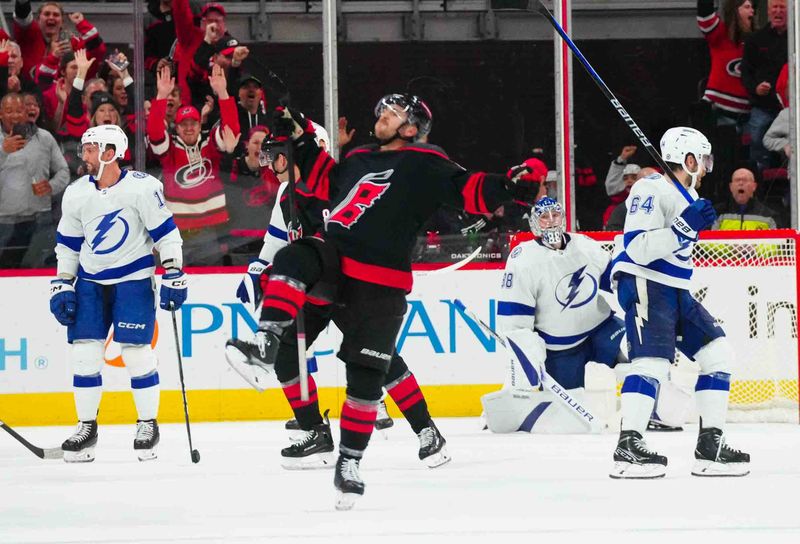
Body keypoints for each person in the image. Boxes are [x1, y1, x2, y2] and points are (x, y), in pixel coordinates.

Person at [224, 93, 538, 509]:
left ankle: (352, 462)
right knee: (296, 256)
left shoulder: (425, 160)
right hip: (334, 262)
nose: (382, 117)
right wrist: (296, 133)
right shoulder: (356, 160)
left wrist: (515, 184)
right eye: (383, 111)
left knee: (370, 372)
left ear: (411, 127)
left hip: (379, 280)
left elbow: (469, 189)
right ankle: (268, 343)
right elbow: (325, 179)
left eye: (393, 113)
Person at [228, 134, 450, 471]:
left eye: (272, 156)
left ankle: (427, 430)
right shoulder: (288, 195)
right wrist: (260, 269)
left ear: (291, 156)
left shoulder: (336, 185)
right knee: (288, 355)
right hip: (318, 286)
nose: (269, 165)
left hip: (354, 285)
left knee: (383, 359)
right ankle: (315, 431)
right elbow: (278, 241)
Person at [609, 126, 750, 479]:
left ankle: (710, 447)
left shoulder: (686, 195)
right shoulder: (650, 188)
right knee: (652, 363)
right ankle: (628, 447)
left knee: (719, 354)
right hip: (645, 282)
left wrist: (686, 226)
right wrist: (682, 229)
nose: (705, 167)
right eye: (702, 159)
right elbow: (638, 248)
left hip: (674, 288)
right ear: (688, 159)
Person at [50, 124, 187, 463]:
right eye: (85, 149)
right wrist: (63, 282)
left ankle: (147, 424)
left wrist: (173, 272)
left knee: (137, 352)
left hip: (133, 279)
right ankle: (86, 428)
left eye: (91, 149)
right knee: (84, 354)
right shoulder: (77, 192)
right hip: (91, 283)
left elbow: (166, 234)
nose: (85, 155)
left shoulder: (143, 188)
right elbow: (67, 244)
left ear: (110, 153)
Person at [147, 64, 240, 265]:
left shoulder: (210, 144)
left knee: (210, 286)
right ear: (177, 128)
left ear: (200, 125)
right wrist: (161, 96)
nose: (189, 129)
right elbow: (154, 132)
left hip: (209, 230)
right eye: (184, 125)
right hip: (176, 231)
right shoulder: (169, 149)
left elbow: (231, 130)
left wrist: (223, 93)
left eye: (193, 124)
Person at [0, 92, 69, 268]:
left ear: (25, 113)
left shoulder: (44, 137)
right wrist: (3, 151)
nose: (15, 115)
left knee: (40, 270)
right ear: (1, 113)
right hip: (3, 222)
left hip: (40, 220)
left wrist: (51, 186)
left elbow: (63, 171)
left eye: (19, 110)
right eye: (9, 111)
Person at [740, 0, 787, 171]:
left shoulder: (795, 38)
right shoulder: (756, 39)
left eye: (782, 7)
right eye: (774, 7)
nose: (778, 11)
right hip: (763, 105)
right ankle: (758, 179)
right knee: (756, 136)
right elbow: (745, 72)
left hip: (791, 108)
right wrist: (755, 88)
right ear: (768, 11)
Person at [696, 0, 753, 120]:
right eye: (747, 7)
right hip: (719, 112)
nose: (752, 11)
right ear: (735, 11)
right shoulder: (721, 33)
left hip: (748, 117)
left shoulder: (755, 40)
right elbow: (705, 14)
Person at [712, 167, 779, 230]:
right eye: (737, 180)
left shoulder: (769, 216)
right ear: (731, 187)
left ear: (754, 186)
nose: (741, 183)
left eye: (745, 180)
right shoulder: (715, 214)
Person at [604, 167, 658, 231]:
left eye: (633, 178)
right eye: (625, 178)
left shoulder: (666, 202)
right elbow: (612, 231)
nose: (629, 181)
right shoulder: (620, 208)